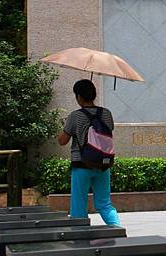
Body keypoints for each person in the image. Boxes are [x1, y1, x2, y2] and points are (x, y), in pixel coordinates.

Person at [57, 79, 120, 226]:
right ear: (94, 94)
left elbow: (62, 140)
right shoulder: (106, 113)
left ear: (79, 96)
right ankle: (117, 229)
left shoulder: (75, 116)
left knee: (78, 205)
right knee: (104, 203)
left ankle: (80, 235)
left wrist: (66, 127)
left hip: (81, 164)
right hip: (103, 164)